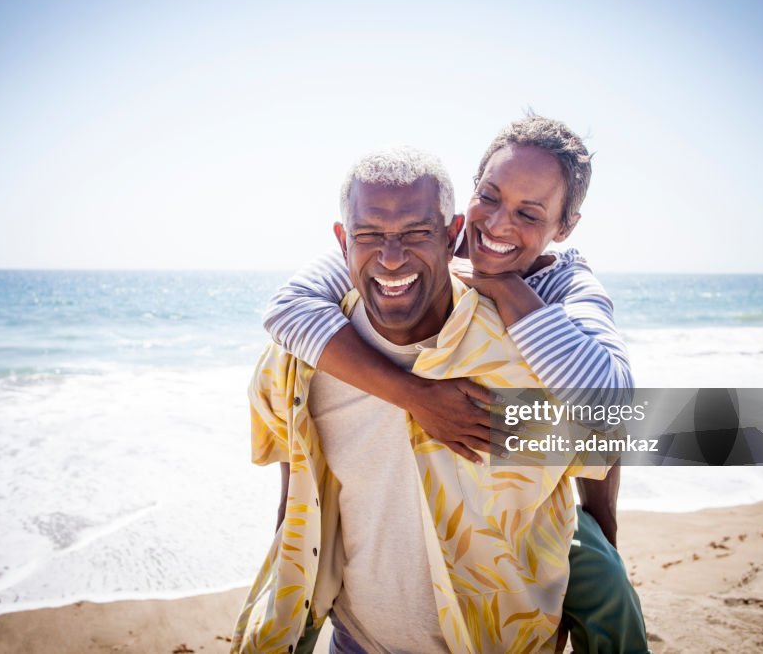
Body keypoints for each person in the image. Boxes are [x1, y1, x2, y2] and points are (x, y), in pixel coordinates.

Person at [232, 146, 643, 653]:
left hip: (507, 617)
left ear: (564, 226)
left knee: (603, 582)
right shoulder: (304, 356)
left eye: (529, 213)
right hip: (359, 639)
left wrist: (505, 287)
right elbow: (299, 483)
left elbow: (608, 411)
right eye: (489, 198)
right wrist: (415, 396)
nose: (497, 225)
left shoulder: (559, 299)